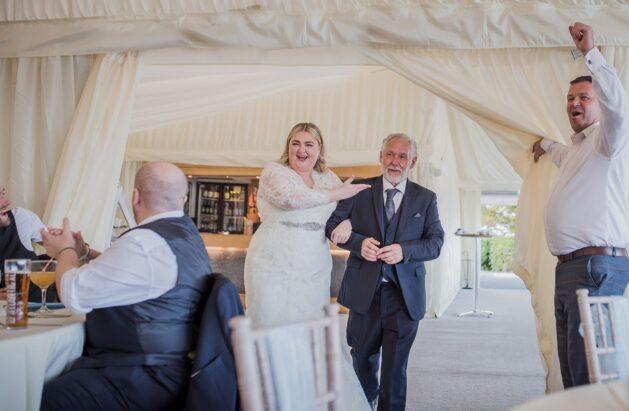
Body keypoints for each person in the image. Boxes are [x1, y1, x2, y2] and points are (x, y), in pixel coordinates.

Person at [40, 162, 212, 411]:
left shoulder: (143, 242)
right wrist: (83, 252)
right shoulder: (186, 236)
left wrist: (64, 250)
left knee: (35, 396)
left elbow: (72, 293)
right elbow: (132, 275)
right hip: (174, 371)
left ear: (135, 196)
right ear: (183, 199)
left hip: (140, 377)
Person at [532, 22, 629, 388]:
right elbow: (562, 154)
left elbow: (619, 110)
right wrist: (544, 144)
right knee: (573, 366)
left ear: (598, 105)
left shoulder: (609, 139)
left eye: (584, 97)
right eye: (570, 98)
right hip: (572, 268)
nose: (575, 103)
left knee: (590, 371)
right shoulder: (578, 147)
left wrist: (591, 55)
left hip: (595, 265)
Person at [242, 122, 371, 409]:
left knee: (312, 328)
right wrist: (337, 195)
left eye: (309, 144)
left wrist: (348, 222)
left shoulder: (328, 177)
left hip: (314, 263)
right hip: (273, 261)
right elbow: (291, 200)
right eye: (296, 143)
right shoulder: (274, 172)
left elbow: (350, 209)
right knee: (273, 322)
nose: (301, 149)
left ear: (319, 149)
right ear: (288, 147)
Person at [326, 133, 445, 411]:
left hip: (405, 296)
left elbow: (436, 243)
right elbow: (332, 224)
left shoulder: (426, 199)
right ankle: (363, 404)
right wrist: (357, 243)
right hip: (364, 291)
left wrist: (405, 251)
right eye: (390, 154)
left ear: (412, 161)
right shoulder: (359, 189)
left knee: (395, 370)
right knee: (363, 359)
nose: (395, 161)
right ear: (380, 157)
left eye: (402, 156)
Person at [0, 185, 52, 301]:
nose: (6, 202)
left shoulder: (20, 218)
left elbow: (54, 245)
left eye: (2, 194)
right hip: (8, 313)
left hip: (39, 307)